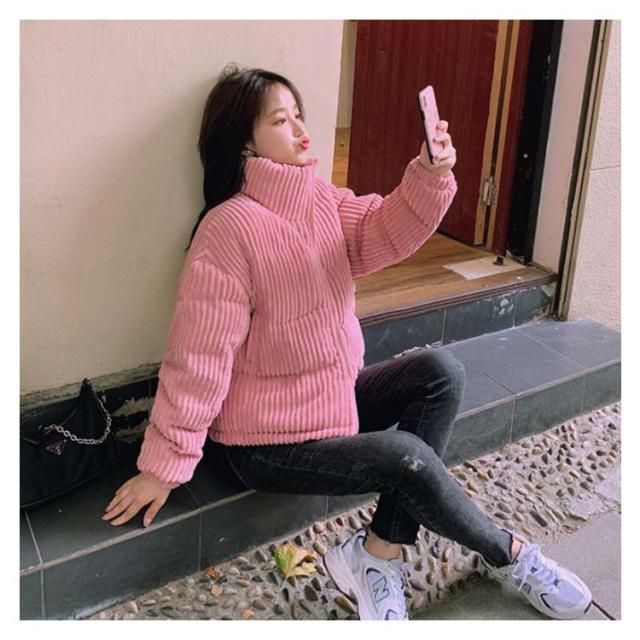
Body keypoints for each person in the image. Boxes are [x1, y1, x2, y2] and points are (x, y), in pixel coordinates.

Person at [102, 63, 592, 621]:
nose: (301, 130)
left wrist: (430, 173)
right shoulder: (228, 230)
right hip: (263, 443)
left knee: (440, 373)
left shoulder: (319, 200)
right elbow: (199, 357)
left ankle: (376, 553)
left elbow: (382, 228)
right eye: (281, 121)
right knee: (404, 458)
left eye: (299, 115)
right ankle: (511, 555)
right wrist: (162, 466)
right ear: (244, 142)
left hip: (326, 405)